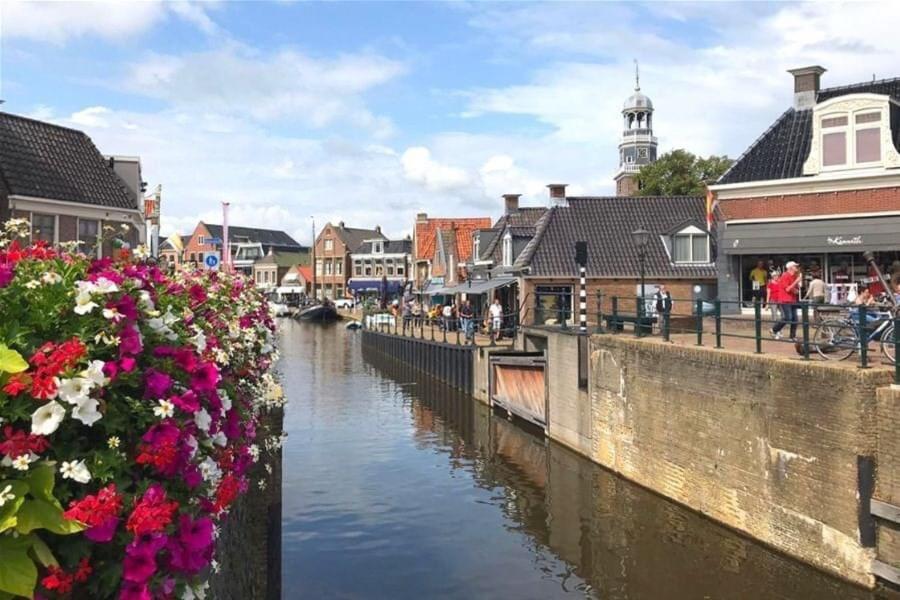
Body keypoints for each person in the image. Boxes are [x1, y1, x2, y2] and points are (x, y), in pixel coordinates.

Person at [771, 261, 802, 341]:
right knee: (788, 318)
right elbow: (787, 289)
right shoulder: (785, 276)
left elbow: (794, 289)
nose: (796, 268)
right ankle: (774, 329)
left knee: (795, 319)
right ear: (790, 268)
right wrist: (796, 281)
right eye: (795, 266)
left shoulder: (794, 276)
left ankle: (792, 336)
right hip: (785, 300)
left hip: (793, 300)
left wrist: (796, 288)